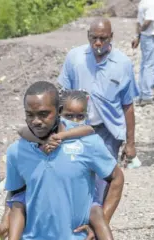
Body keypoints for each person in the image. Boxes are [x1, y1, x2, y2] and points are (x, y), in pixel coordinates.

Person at [0, 81, 125, 240]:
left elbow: (116, 178)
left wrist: (100, 224)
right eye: (30, 115)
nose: (36, 121)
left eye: (44, 114)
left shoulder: (86, 143)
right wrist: (5, 221)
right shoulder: (17, 151)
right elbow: (16, 193)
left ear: (59, 112)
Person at [58, 17, 138, 210]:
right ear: (88, 36)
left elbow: (128, 106)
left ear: (111, 37)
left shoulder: (122, 64)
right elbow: (62, 95)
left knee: (103, 179)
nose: (98, 43)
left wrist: (130, 143)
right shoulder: (75, 58)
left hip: (108, 132)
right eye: (94, 38)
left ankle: (96, 226)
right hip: (78, 129)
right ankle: (80, 218)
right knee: (77, 175)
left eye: (103, 38)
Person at [131, 0, 154, 104]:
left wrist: (138, 36)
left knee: (144, 65)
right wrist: (141, 31)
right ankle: (146, 95)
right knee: (150, 66)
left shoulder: (143, 2)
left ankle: (141, 94)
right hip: (152, 38)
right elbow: (148, 20)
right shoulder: (152, 3)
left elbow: (138, 22)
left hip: (146, 38)